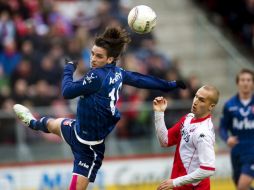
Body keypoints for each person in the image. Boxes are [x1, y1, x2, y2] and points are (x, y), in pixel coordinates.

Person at [13, 27, 186, 190]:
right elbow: (140, 79)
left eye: (99, 56)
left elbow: (66, 91)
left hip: (89, 148)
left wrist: (68, 69)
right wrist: (169, 85)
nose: (93, 59)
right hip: (77, 130)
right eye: (92, 54)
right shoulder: (118, 72)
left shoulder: (97, 76)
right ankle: (32, 122)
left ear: (110, 59)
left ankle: (34, 123)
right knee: (51, 125)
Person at [153, 85, 220, 190]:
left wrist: (175, 182)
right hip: (180, 186)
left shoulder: (203, 133)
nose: (196, 102)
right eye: (196, 96)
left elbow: (208, 169)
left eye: (201, 100)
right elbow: (165, 141)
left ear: (211, 106)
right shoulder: (188, 118)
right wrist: (159, 113)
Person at [219, 68, 254, 190]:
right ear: (238, 83)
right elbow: (222, 127)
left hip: (252, 151)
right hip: (237, 152)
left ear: (253, 83)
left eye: (249, 80)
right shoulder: (229, 105)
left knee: (242, 186)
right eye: (243, 80)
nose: (246, 83)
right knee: (239, 185)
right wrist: (227, 138)